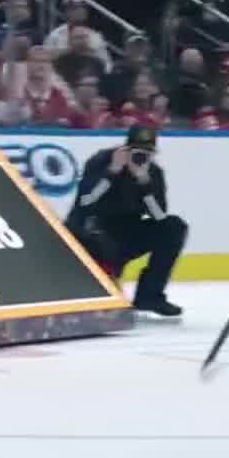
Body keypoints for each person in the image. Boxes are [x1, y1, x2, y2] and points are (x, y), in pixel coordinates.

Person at [67, 123, 187, 318]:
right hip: (92, 228)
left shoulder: (152, 172)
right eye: (136, 151)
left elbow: (159, 216)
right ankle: (104, 282)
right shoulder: (101, 161)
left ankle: (149, 296)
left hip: (127, 230)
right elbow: (85, 202)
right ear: (125, 148)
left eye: (147, 153)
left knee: (173, 227)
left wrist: (144, 182)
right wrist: (112, 172)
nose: (140, 157)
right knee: (97, 235)